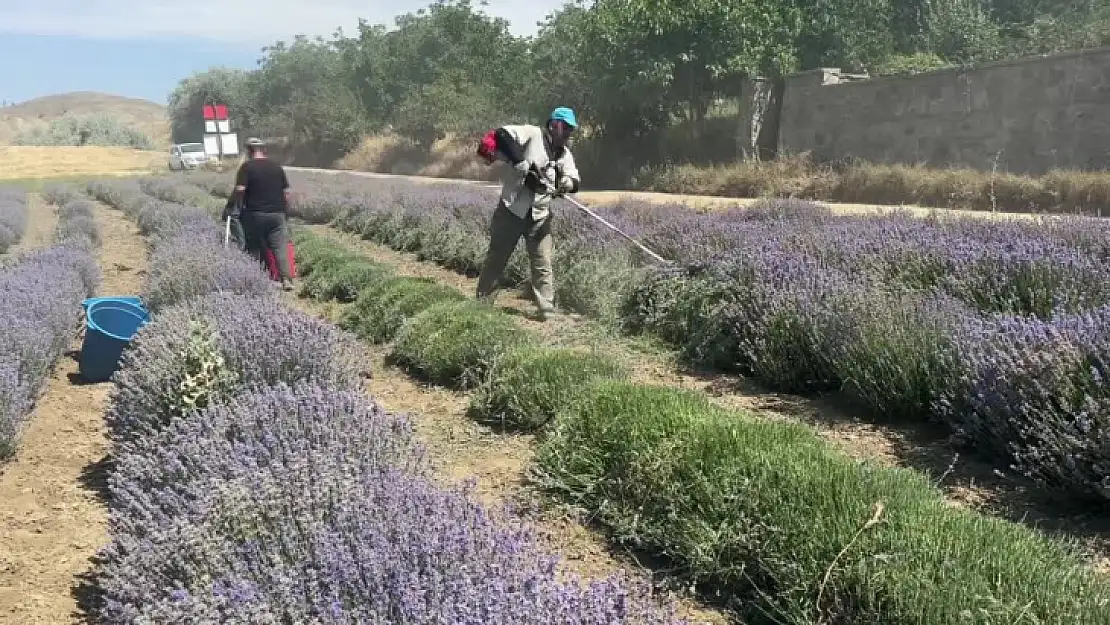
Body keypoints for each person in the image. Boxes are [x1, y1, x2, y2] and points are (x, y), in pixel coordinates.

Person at [475, 106, 581, 319]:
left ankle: (546, 308)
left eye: (571, 129)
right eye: (566, 127)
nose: (569, 133)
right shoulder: (531, 134)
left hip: (539, 215)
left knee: (543, 261)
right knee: (497, 258)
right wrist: (522, 164)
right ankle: (482, 303)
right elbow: (502, 134)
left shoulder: (564, 154)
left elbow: (574, 180)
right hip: (512, 209)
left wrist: (564, 185)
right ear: (553, 125)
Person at [228, 137, 294, 291]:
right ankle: (286, 280)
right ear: (263, 150)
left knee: (255, 247)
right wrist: (285, 210)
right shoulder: (277, 167)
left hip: (255, 214)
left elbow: (240, 190)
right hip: (277, 214)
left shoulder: (247, 167)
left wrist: (232, 203)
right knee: (280, 247)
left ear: (249, 151)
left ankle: (257, 279)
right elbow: (286, 193)